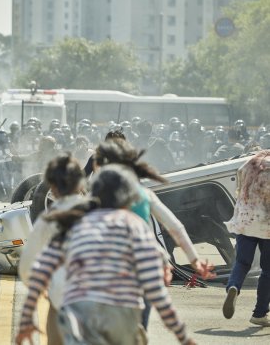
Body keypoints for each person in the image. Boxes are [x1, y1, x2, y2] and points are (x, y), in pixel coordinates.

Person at [16, 164, 195, 345]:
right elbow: (156, 290)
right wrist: (183, 336)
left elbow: (41, 270)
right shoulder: (134, 226)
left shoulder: (76, 224)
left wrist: (26, 319)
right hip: (122, 319)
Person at [93, 139, 215, 328]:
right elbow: (175, 227)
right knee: (140, 328)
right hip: (144, 269)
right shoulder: (144, 194)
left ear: (99, 165)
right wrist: (194, 261)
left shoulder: (96, 196)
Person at [18, 153, 86, 345]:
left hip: (61, 296)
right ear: (80, 185)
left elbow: (27, 265)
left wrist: (39, 288)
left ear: (53, 188)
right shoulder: (97, 211)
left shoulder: (48, 219)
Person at [222, 151, 270, 326]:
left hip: (245, 221)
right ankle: (259, 313)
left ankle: (233, 286)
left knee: (242, 262)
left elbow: (240, 186)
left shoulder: (249, 163)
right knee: (268, 270)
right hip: (267, 224)